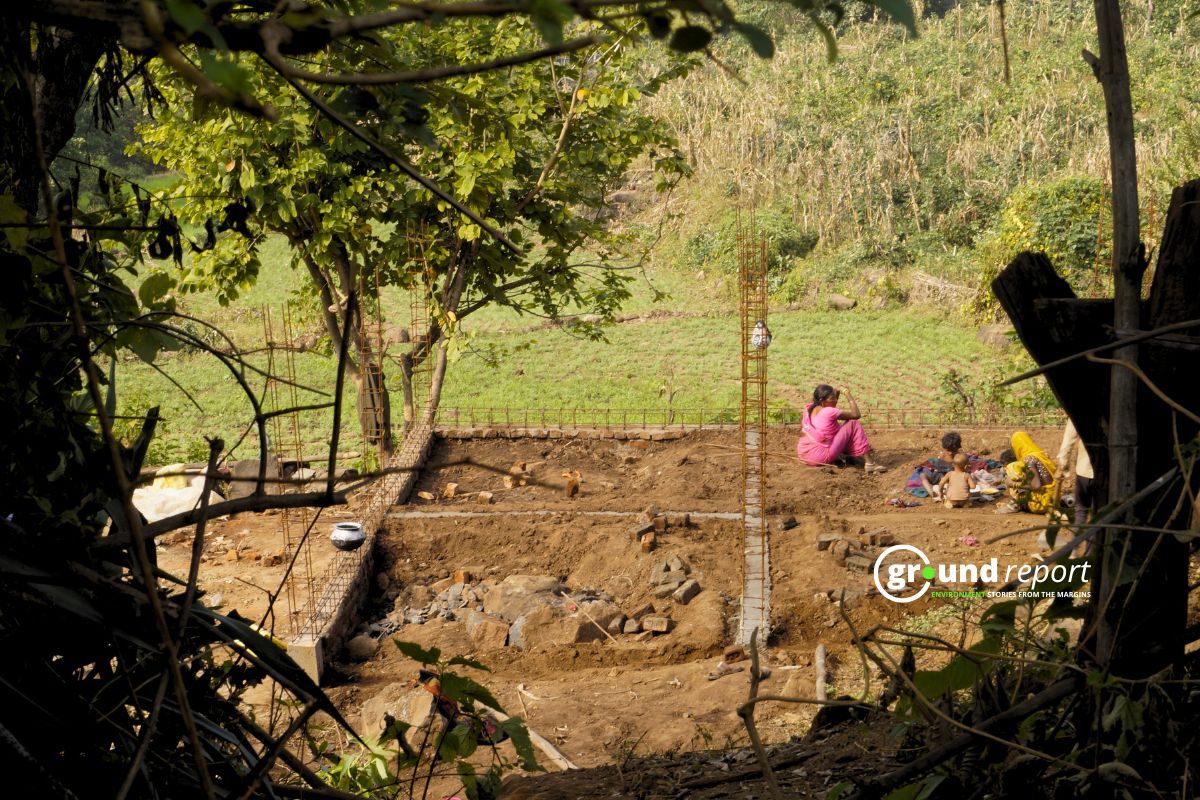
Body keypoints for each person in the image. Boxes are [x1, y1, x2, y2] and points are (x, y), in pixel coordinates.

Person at [796, 384, 886, 472]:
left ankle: (844, 455)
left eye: (835, 397)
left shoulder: (809, 409)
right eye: (832, 398)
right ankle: (870, 463)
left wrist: (836, 392)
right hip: (821, 456)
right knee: (853, 423)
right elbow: (856, 415)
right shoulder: (829, 411)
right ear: (822, 400)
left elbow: (831, 407)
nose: (835, 400)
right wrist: (847, 393)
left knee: (838, 431)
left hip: (804, 454)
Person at [999, 432, 1057, 513]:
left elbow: (1036, 485)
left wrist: (1012, 484)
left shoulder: (1029, 460)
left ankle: (1014, 505)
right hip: (1055, 497)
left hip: (1043, 503)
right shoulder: (1041, 455)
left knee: (1012, 467)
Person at [1056, 418, 1094, 527]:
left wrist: (1062, 467)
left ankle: (1076, 538)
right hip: (1108, 472)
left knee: (1081, 511)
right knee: (1099, 515)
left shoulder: (1078, 411)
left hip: (1085, 469)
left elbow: (1068, 442)